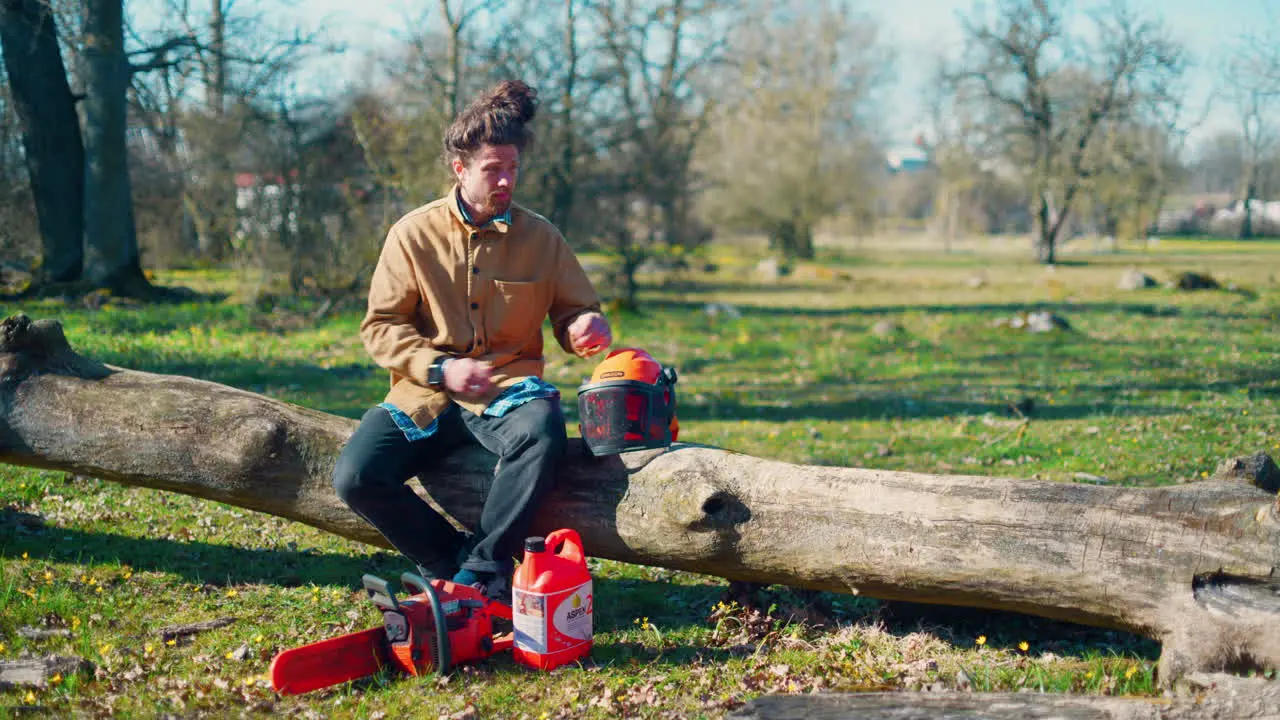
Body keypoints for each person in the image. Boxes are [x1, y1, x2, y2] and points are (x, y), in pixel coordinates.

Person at [332, 80, 611, 603]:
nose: (506, 181)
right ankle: (450, 562)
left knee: (543, 431)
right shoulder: (412, 235)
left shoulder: (542, 237)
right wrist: (440, 368)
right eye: (492, 170)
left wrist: (583, 327)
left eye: (513, 169)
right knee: (355, 477)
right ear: (460, 169)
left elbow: (577, 309)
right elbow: (381, 327)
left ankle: (482, 575)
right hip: (427, 396)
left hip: (510, 392)